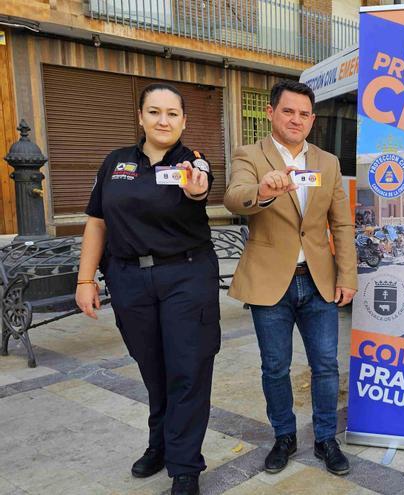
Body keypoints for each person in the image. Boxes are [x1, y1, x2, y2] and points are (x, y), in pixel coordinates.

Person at [75, 83, 218, 495]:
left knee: (187, 370)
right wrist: (86, 279)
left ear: (184, 121)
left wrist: (196, 187)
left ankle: (185, 467)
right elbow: (97, 222)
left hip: (186, 277)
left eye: (173, 113)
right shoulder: (116, 163)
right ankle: (160, 444)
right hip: (129, 279)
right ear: (140, 117)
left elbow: (201, 187)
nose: (163, 120)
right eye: (154, 112)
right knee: (153, 369)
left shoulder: (192, 161)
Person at [223, 80, 356, 477]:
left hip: (318, 280)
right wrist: (262, 191)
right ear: (270, 113)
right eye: (288, 111)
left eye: (303, 114)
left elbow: (342, 224)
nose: (295, 120)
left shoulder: (328, 162)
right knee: (275, 367)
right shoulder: (250, 154)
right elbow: (235, 196)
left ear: (312, 120)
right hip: (269, 281)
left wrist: (346, 274)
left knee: (327, 366)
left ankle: (326, 438)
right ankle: (284, 436)